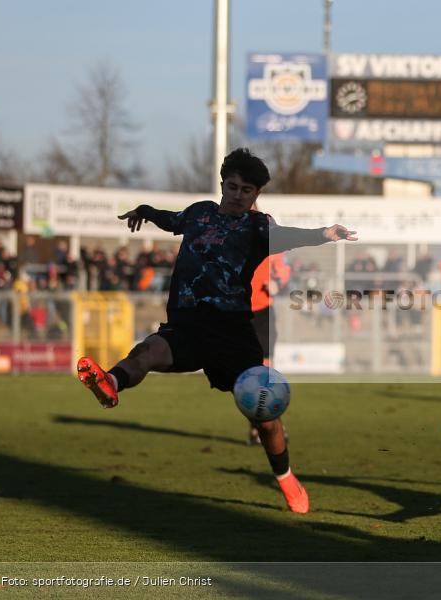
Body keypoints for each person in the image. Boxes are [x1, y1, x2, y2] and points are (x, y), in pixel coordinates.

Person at [76, 148, 357, 514]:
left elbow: (286, 236)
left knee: (266, 418)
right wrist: (144, 212)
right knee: (147, 352)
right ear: (223, 184)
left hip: (233, 334)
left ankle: (286, 477)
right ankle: (111, 384)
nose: (239, 195)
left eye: (248, 190)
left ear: (256, 195)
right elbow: (170, 218)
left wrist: (323, 234)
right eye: (234, 186)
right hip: (188, 326)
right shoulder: (199, 213)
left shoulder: (257, 227)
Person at [246, 250, 292, 445]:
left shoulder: (269, 236)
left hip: (263, 313)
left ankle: (269, 426)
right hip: (237, 311)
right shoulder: (232, 234)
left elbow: (283, 267)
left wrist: (278, 282)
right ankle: (260, 427)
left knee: (264, 372)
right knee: (246, 376)